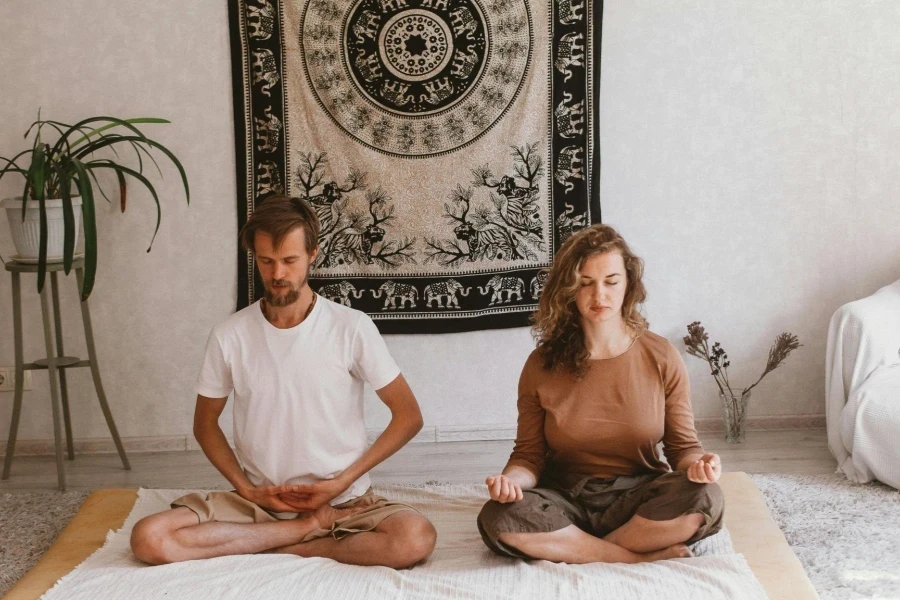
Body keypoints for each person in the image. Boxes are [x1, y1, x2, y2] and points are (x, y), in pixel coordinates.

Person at [130, 195, 436, 568]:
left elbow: (408, 416)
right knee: (148, 539)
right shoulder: (230, 335)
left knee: (415, 538)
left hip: (343, 502)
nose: (277, 274)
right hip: (259, 501)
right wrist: (246, 489)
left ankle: (289, 546)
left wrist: (342, 483)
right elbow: (204, 424)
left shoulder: (350, 327)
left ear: (313, 254)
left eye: (290, 261)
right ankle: (297, 532)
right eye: (266, 261)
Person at [477, 224, 724, 564]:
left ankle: (579, 547)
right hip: (564, 498)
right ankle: (631, 556)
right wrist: (509, 482)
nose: (599, 296)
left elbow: (682, 448)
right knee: (498, 516)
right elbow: (529, 455)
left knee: (705, 498)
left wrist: (700, 466)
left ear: (628, 285)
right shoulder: (541, 364)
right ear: (569, 289)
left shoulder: (661, 355)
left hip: (638, 498)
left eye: (611, 281)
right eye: (585, 283)